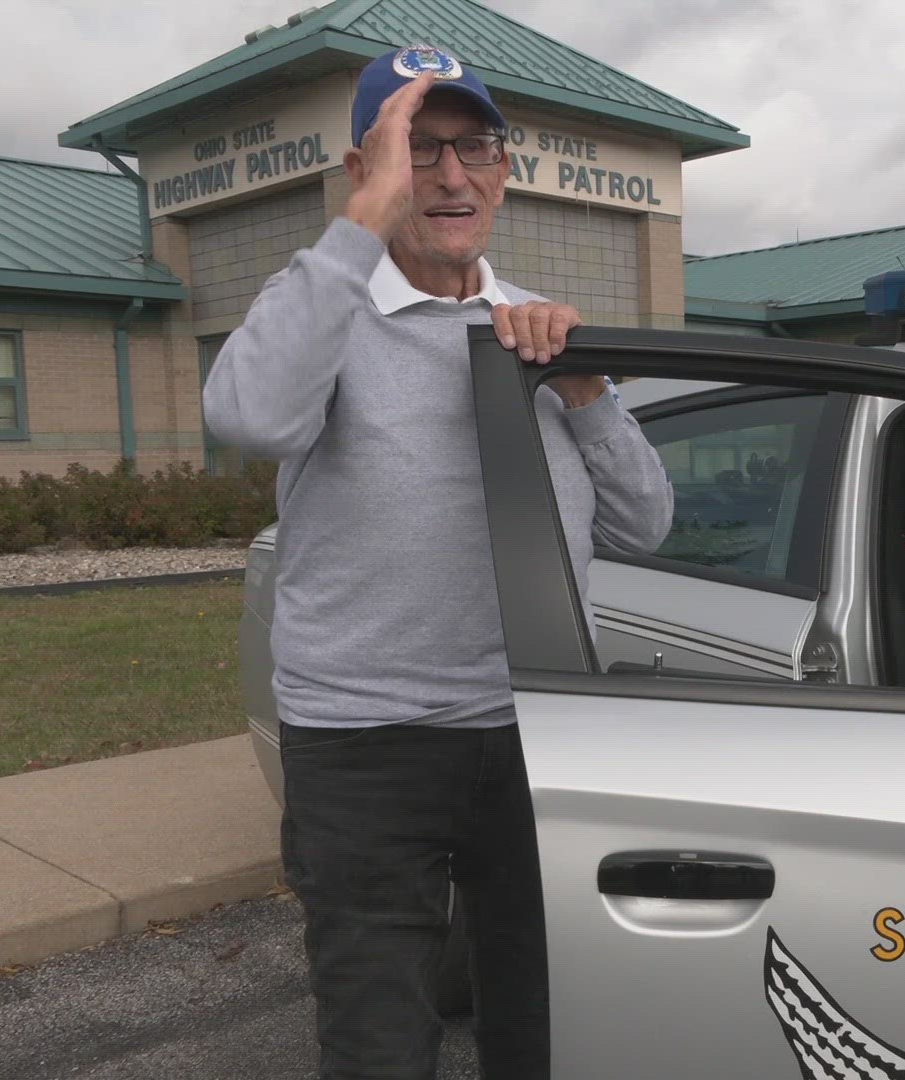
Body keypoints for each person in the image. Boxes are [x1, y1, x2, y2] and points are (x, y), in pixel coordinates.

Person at [200, 44, 673, 1080]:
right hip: (365, 740)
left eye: (473, 149)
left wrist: (585, 391)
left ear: (503, 170)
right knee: (380, 1041)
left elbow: (647, 527)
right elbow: (248, 415)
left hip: (534, 731)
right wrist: (362, 220)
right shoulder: (323, 307)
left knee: (544, 1023)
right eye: (416, 151)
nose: (450, 177)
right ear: (363, 168)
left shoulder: (542, 329)